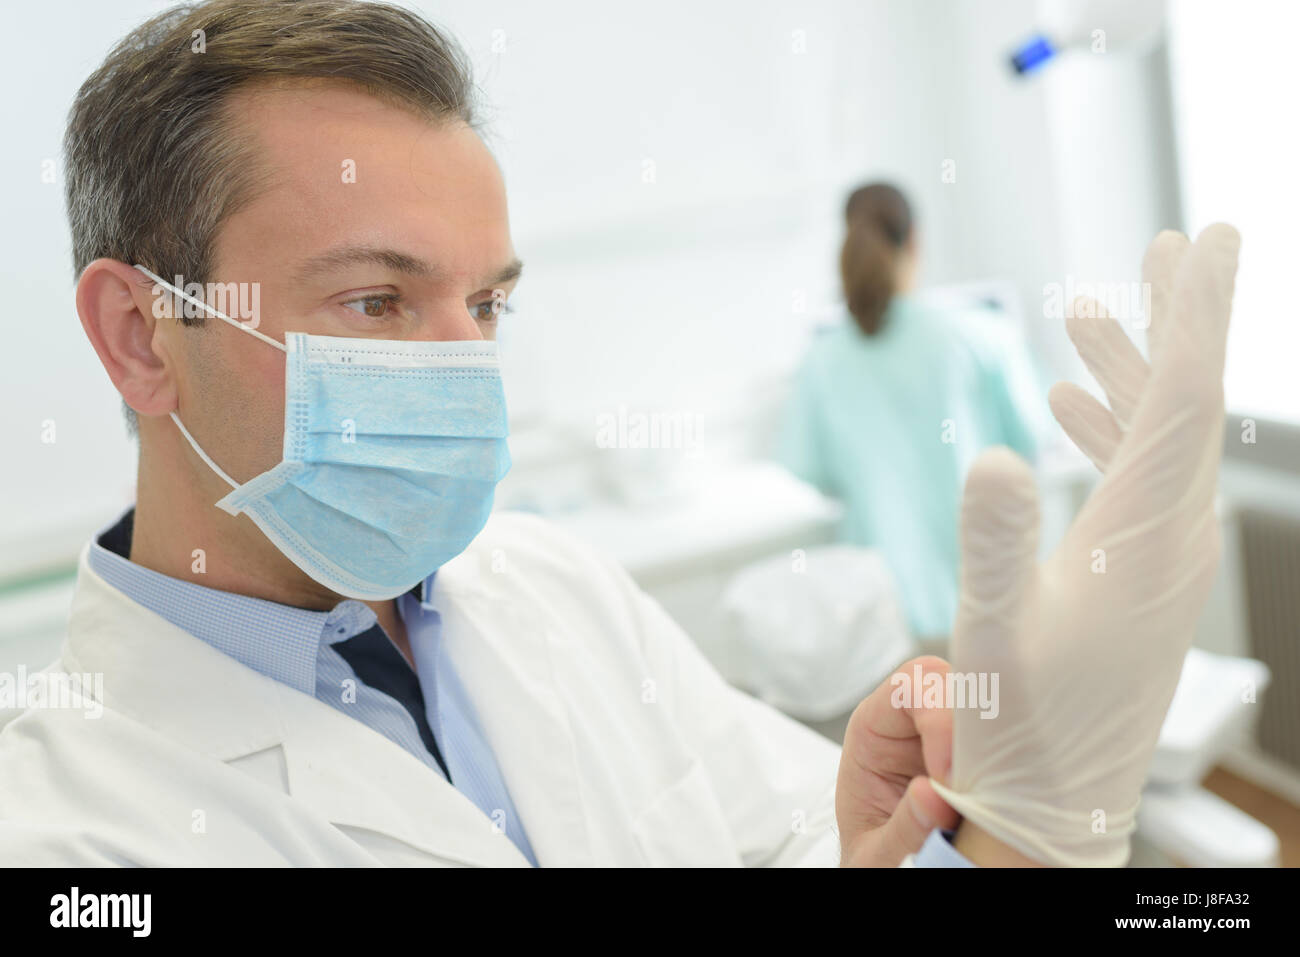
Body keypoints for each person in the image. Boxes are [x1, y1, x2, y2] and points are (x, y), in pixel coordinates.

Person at [0, 0, 1239, 870]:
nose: (465, 369)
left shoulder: (553, 589)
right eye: (376, 301)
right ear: (140, 336)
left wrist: (1017, 823)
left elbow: (800, 843)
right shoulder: (73, 841)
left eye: (485, 303)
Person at [778, 183, 1049, 641]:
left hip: (882, 619)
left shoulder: (821, 362)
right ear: (916, 241)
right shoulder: (982, 338)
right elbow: (1029, 444)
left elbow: (812, 471)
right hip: (987, 602)